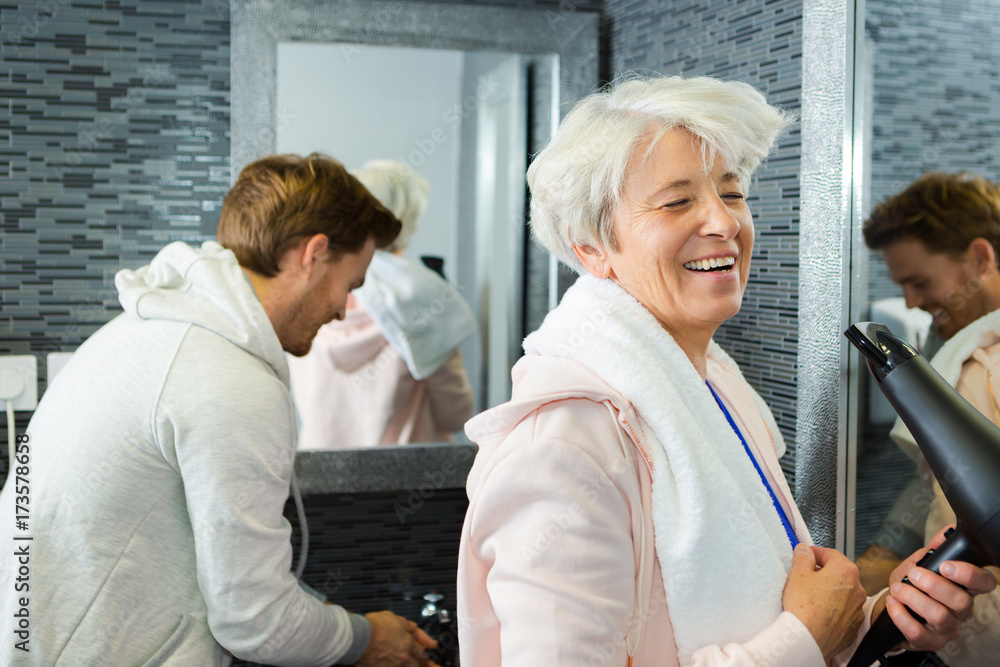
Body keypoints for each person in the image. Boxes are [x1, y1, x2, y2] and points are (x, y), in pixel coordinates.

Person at [456, 77, 997, 667]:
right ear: (591, 248)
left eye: (732, 193)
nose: (724, 222)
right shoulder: (561, 448)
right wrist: (805, 638)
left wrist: (880, 617)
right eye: (677, 202)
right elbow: (795, 638)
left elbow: (778, 618)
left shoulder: (716, 389)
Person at [0, 154, 440, 666]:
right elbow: (257, 623)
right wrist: (366, 638)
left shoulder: (145, 331)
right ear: (314, 254)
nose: (343, 309)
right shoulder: (228, 380)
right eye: (350, 285)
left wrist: (327, 620)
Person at [859, 171, 1000, 666]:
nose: (911, 302)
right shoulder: (956, 353)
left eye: (919, 282)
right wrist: (879, 560)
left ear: (981, 258)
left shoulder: (987, 367)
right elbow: (951, 484)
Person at [288, 159, 475, 449]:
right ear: (408, 222)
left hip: (320, 469)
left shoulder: (308, 297)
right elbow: (456, 416)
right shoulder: (424, 302)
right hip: (406, 471)